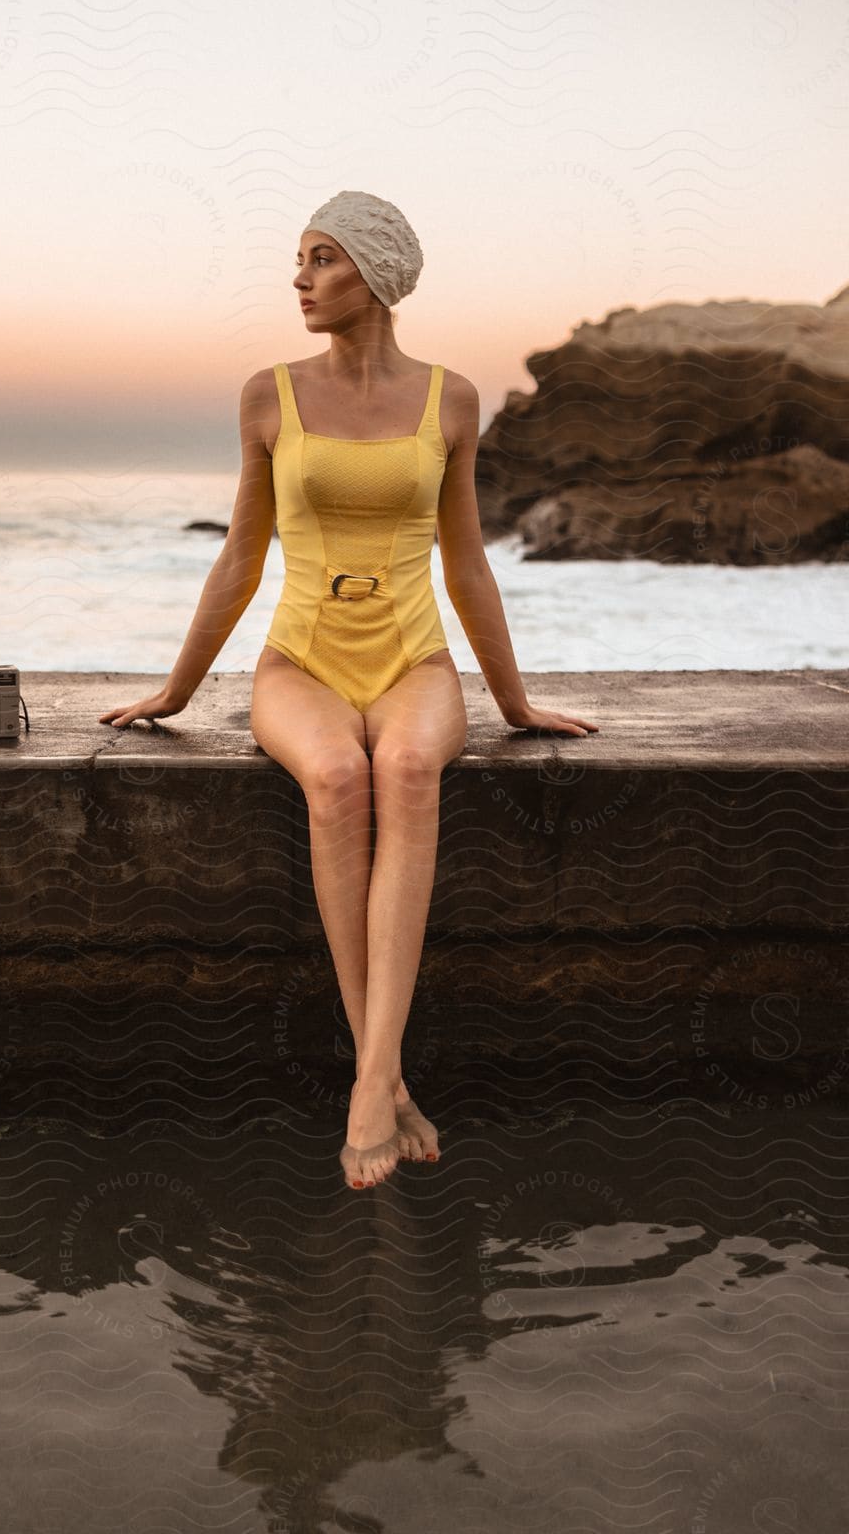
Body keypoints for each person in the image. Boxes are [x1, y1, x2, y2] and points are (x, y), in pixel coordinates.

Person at [100, 190, 598, 1191]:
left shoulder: (451, 399)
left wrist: (515, 703)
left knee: (408, 767)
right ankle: (387, 1080)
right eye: (298, 259)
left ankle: (371, 1085)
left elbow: (466, 565)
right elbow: (243, 557)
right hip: (302, 661)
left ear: (372, 274)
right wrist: (176, 690)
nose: (300, 278)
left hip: (414, 656)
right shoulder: (266, 395)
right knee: (337, 776)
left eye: (322, 259)